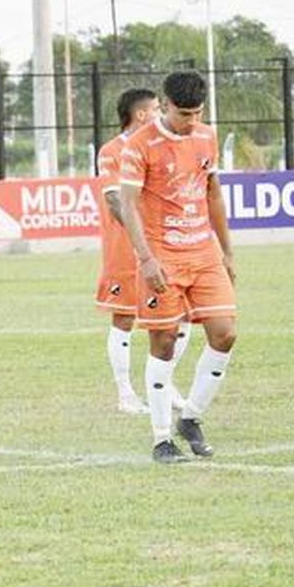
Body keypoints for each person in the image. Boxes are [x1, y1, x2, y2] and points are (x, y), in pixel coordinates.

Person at [117, 72, 237, 464]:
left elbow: (213, 193)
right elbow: (128, 204)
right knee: (164, 342)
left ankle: (191, 418)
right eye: (184, 113)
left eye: (197, 113)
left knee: (225, 334)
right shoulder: (139, 145)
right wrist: (147, 259)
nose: (191, 121)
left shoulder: (206, 136)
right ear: (164, 105)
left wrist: (227, 250)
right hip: (162, 256)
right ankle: (161, 438)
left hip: (203, 254)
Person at [97, 90, 192, 415]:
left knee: (183, 314)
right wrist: (143, 243)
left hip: (167, 247)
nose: (161, 113)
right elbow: (114, 200)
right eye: (155, 109)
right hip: (127, 249)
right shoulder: (112, 151)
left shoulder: (162, 146)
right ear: (140, 115)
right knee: (123, 317)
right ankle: (125, 395)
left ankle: (164, 383)